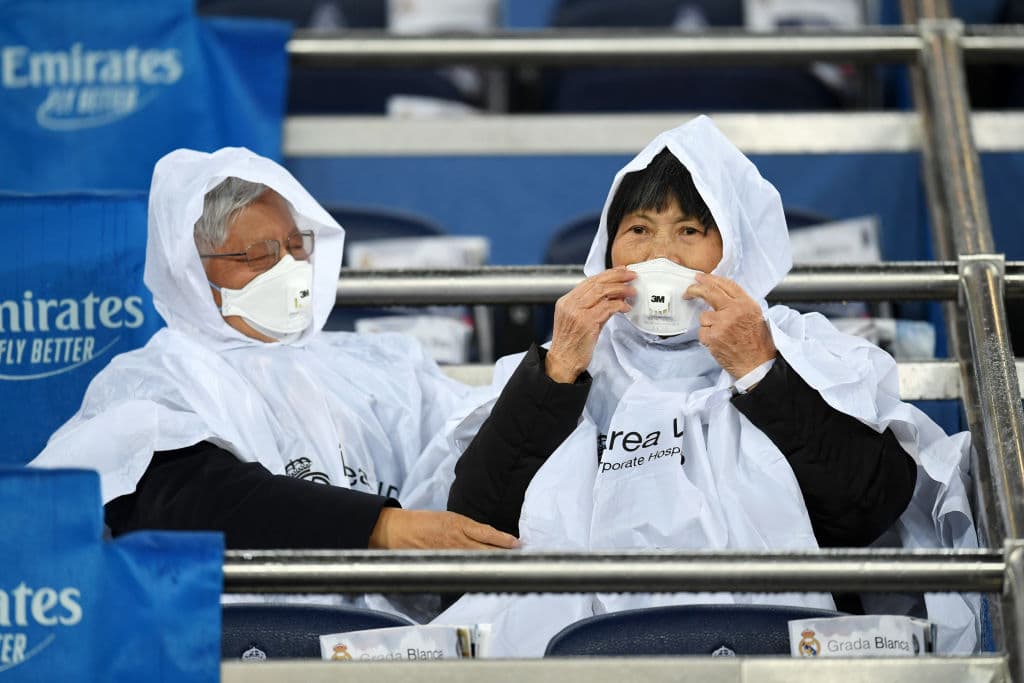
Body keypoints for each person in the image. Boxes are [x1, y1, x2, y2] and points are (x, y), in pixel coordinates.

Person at [402, 116, 980, 655]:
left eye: (688, 231)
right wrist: (557, 376)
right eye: (638, 230)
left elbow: (864, 512)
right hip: (581, 651)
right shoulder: (556, 364)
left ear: (732, 250)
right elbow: (477, 527)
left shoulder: (806, 351)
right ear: (607, 250)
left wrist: (759, 370)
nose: (659, 254)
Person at [29, 146, 517, 552]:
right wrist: (382, 527)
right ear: (192, 270)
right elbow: (181, 497)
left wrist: (552, 376)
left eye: (295, 246)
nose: (288, 267)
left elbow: (472, 436)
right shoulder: (158, 379)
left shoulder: (376, 366)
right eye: (257, 255)